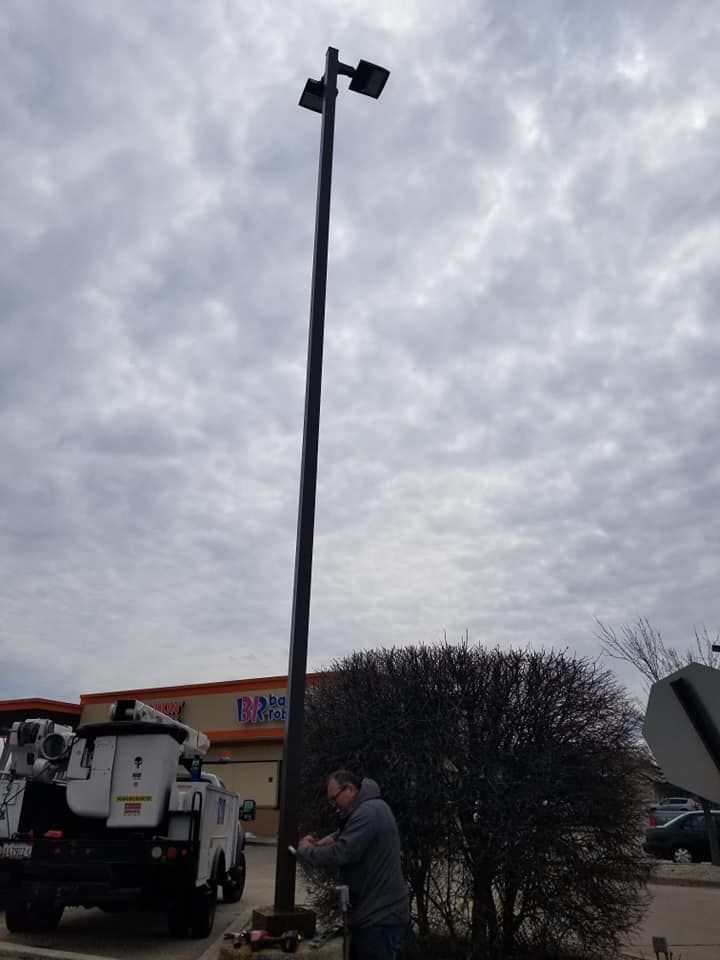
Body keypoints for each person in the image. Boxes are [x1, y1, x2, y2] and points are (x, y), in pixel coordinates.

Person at [297, 770, 409, 960]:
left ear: (349, 789)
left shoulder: (369, 812)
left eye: (335, 799)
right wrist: (324, 841)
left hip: (379, 919)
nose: (334, 806)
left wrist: (307, 851)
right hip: (376, 916)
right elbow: (345, 833)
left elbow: (343, 852)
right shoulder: (369, 809)